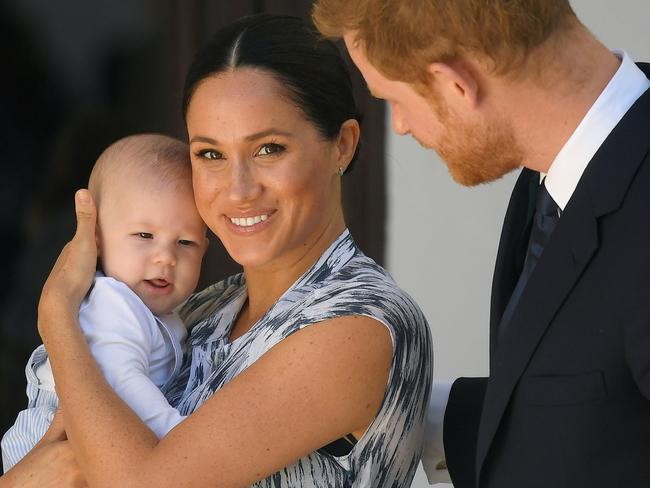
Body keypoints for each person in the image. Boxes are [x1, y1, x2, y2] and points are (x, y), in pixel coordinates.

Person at [0, 14, 433, 487]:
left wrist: (58, 314)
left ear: (342, 146)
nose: (238, 189)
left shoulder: (360, 323)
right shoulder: (204, 309)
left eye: (269, 149)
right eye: (210, 154)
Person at [313, 1, 650, 487]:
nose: (401, 126)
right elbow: (599, 412)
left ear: (456, 85)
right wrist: (388, 406)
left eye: (393, 99)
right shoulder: (558, 172)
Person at [1, 133, 209, 472]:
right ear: (96, 239)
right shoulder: (112, 304)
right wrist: (178, 436)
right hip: (51, 445)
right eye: (145, 236)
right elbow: (121, 380)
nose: (166, 257)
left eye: (186, 243)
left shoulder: (162, 313)